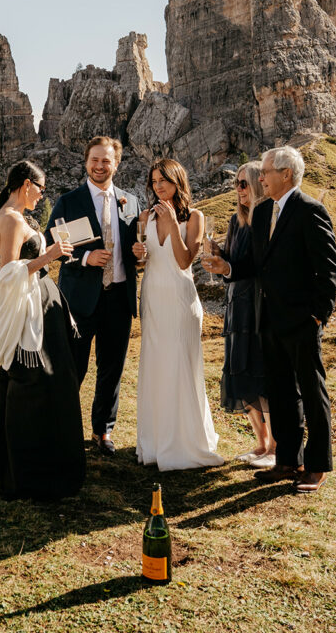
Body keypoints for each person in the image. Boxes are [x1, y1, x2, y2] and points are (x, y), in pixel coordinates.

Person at [205, 146, 336, 494]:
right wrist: (228, 268)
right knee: (281, 393)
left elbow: (328, 270)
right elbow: (256, 267)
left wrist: (316, 317)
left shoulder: (310, 211)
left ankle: (317, 466)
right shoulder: (263, 213)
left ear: (286, 174)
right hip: (269, 321)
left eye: (265, 172)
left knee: (311, 392)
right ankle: (287, 461)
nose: (259, 178)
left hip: (301, 322)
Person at [0, 159, 86, 500]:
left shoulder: (15, 216)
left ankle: (47, 466)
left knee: (57, 381)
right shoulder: (12, 219)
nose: (42, 196)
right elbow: (7, 274)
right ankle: (36, 474)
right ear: (26, 183)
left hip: (44, 306)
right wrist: (50, 256)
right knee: (44, 384)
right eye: (40, 189)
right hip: (32, 312)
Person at [45, 136, 139, 456]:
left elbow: (134, 247)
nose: (100, 166)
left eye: (106, 161)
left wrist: (139, 254)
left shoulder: (131, 201)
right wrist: (85, 258)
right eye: (94, 160)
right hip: (80, 301)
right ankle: (61, 428)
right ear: (86, 161)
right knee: (74, 367)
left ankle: (103, 431)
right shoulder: (69, 201)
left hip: (119, 299)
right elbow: (52, 246)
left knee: (111, 369)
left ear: (117, 164)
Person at [134, 158, 224, 471]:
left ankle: (186, 442)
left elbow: (185, 260)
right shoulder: (144, 216)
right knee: (156, 365)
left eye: (164, 180)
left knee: (180, 366)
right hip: (153, 299)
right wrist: (139, 255)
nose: (158, 186)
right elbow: (145, 259)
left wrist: (173, 224)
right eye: (154, 181)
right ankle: (157, 443)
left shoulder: (195, 217)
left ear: (178, 182)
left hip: (181, 300)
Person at [219, 162, 276, 468]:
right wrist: (218, 259)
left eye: (244, 183)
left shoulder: (265, 220)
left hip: (258, 304)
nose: (239, 189)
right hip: (236, 304)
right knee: (239, 369)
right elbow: (231, 264)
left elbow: (256, 266)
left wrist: (228, 267)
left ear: (257, 183)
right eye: (236, 184)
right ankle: (261, 443)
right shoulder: (235, 221)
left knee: (260, 369)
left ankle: (276, 447)